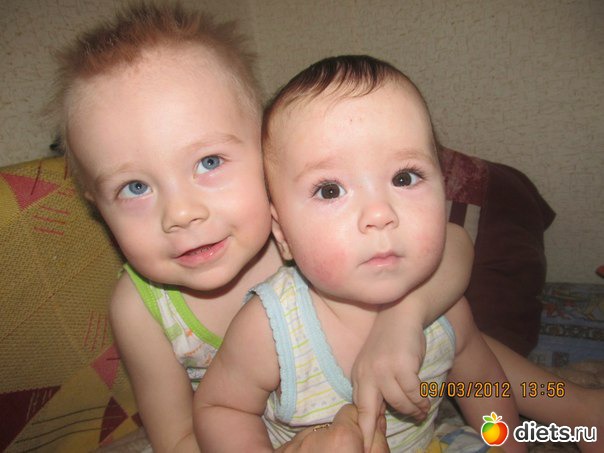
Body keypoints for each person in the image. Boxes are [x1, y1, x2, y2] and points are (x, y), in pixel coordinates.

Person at [49, 3, 475, 451]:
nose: (181, 213)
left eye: (208, 162)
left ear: (267, 150)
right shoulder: (138, 309)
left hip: (399, 385)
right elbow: (177, 439)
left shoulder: (299, 234)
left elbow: (453, 245)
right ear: (97, 205)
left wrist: (404, 317)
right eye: (135, 187)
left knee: (472, 346)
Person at [193, 55, 527, 452]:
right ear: (282, 235)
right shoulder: (272, 328)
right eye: (330, 190)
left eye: (404, 177)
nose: (379, 214)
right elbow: (220, 408)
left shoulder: (445, 310)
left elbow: (481, 384)